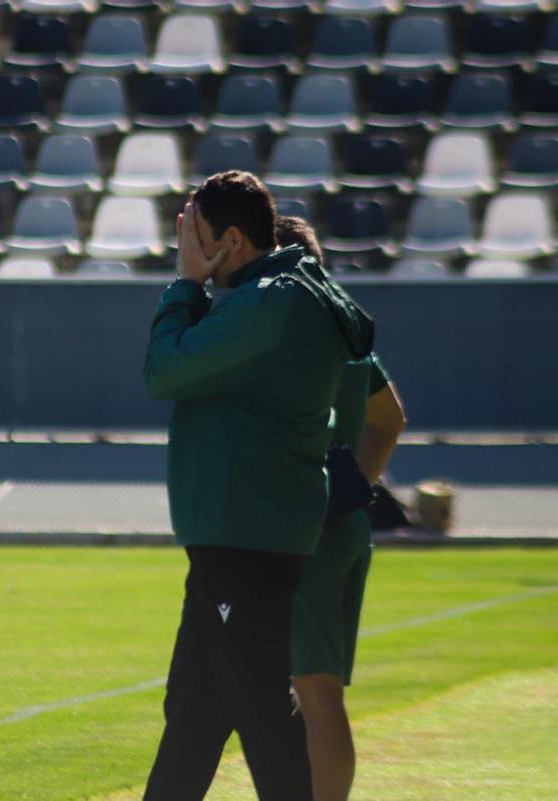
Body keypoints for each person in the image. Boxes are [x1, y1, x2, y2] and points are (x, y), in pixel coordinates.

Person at [141, 172, 374, 801]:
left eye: (196, 237)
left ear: (233, 239)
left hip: (246, 533)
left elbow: (163, 370)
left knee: (263, 711)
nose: (187, 249)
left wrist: (186, 284)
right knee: (194, 709)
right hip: (243, 531)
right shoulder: (288, 292)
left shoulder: (269, 301)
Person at [276, 216, 407, 801]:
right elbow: (390, 418)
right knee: (317, 689)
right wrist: (359, 485)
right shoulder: (346, 331)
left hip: (309, 524)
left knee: (316, 691)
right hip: (345, 522)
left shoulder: (290, 333)